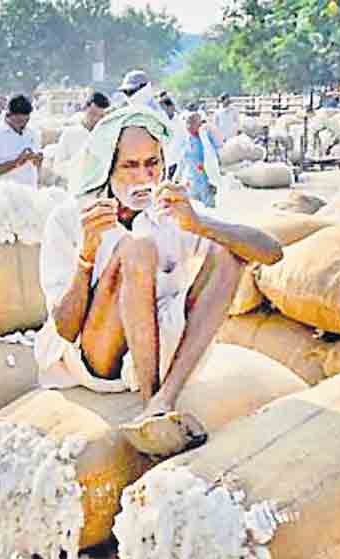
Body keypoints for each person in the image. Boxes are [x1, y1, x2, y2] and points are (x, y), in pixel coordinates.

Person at [35, 105, 282, 457]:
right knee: (137, 250)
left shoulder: (172, 211)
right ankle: (151, 401)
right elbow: (64, 329)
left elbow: (271, 252)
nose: (143, 177)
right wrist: (86, 258)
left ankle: (164, 399)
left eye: (151, 163)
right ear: (107, 167)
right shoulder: (71, 218)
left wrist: (200, 225)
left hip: (162, 346)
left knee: (230, 252)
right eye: (129, 166)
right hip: (97, 359)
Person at [0, 94, 42, 187]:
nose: (21, 124)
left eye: (25, 120)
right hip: (7, 194)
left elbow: (35, 166)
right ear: (9, 115)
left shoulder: (32, 133)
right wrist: (16, 162)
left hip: (30, 192)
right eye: (18, 120)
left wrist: (37, 160)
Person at [55, 92, 110, 182]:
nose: (96, 119)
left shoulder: (108, 135)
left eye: (101, 116)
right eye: (93, 114)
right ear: (85, 109)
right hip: (77, 187)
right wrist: (78, 167)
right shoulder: (70, 133)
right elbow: (57, 166)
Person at [176, 111, 224, 208]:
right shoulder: (187, 140)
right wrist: (177, 177)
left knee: (209, 209)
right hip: (192, 180)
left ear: (199, 123)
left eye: (192, 122)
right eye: (187, 123)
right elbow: (182, 161)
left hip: (206, 181)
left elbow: (216, 156)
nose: (188, 126)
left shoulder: (206, 138)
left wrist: (214, 178)